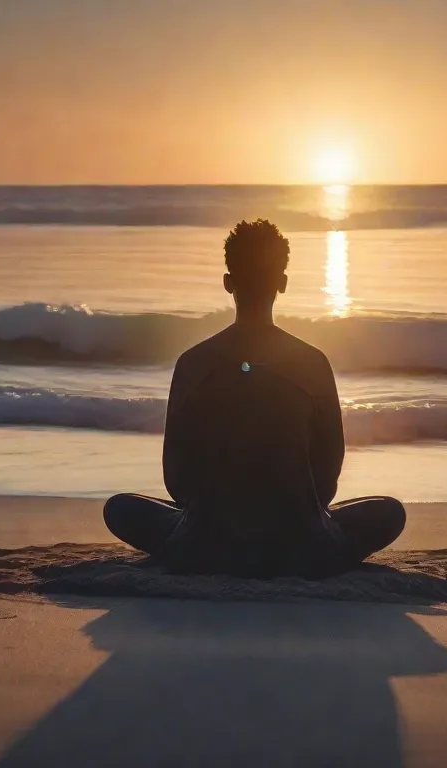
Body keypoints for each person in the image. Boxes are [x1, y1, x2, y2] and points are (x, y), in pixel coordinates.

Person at [104, 219, 405, 577]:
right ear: (283, 282)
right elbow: (326, 482)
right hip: (305, 547)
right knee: (389, 511)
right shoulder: (313, 362)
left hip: (203, 546)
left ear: (228, 282)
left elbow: (177, 482)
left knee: (120, 508)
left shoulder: (193, 363)